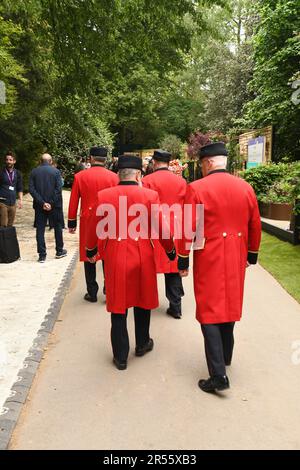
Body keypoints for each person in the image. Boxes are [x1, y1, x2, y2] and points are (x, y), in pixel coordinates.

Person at [178, 142, 261, 393]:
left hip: (210, 255)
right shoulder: (245, 187)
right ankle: (225, 355)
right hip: (235, 254)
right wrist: (252, 254)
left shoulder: (197, 188)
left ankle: (218, 375)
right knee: (229, 303)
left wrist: (183, 258)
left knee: (208, 309)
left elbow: (189, 227)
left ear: (208, 162)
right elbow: (254, 224)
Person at [86, 155, 176, 370]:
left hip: (115, 253)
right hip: (143, 253)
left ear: (119, 174)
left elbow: (94, 226)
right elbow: (161, 228)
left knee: (118, 306)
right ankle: (143, 343)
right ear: (138, 174)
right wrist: (171, 250)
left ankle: (120, 356)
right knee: (142, 300)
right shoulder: (150, 195)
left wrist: (91, 249)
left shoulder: (104, 195)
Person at [68, 146, 118, 302]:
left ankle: (92, 292)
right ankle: (108, 289)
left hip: (88, 220)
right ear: (105, 160)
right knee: (108, 255)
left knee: (89, 254)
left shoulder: (80, 176)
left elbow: (74, 201)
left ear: (90, 158)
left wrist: (71, 222)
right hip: (108, 219)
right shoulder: (114, 177)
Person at [143, 149, 187, 319]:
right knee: (173, 267)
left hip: (154, 228)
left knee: (149, 266)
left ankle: (146, 303)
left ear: (154, 162)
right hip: (175, 227)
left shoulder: (147, 180)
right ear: (169, 163)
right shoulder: (180, 182)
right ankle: (176, 306)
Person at [29, 153, 67, 263]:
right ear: (50, 161)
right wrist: (50, 203)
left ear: (40, 161)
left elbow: (32, 189)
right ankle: (59, 251)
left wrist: (42, 203)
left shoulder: (34, 172)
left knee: (40, 230)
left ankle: (42, 255)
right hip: (54, 206)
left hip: (39, 206)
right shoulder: (56, 172)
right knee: (58, 228)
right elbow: (58, 189)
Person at [0, 153, 23, 227]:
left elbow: (20, 187)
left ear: (14, 161)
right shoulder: (1, 172)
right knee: (3, 224)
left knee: (10, 225)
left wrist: (20, 200)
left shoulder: (17, 173)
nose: (8, 161)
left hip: (13, 202)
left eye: (10, 160)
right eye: (7, 160)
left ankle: (8, 239)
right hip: (2, 202)